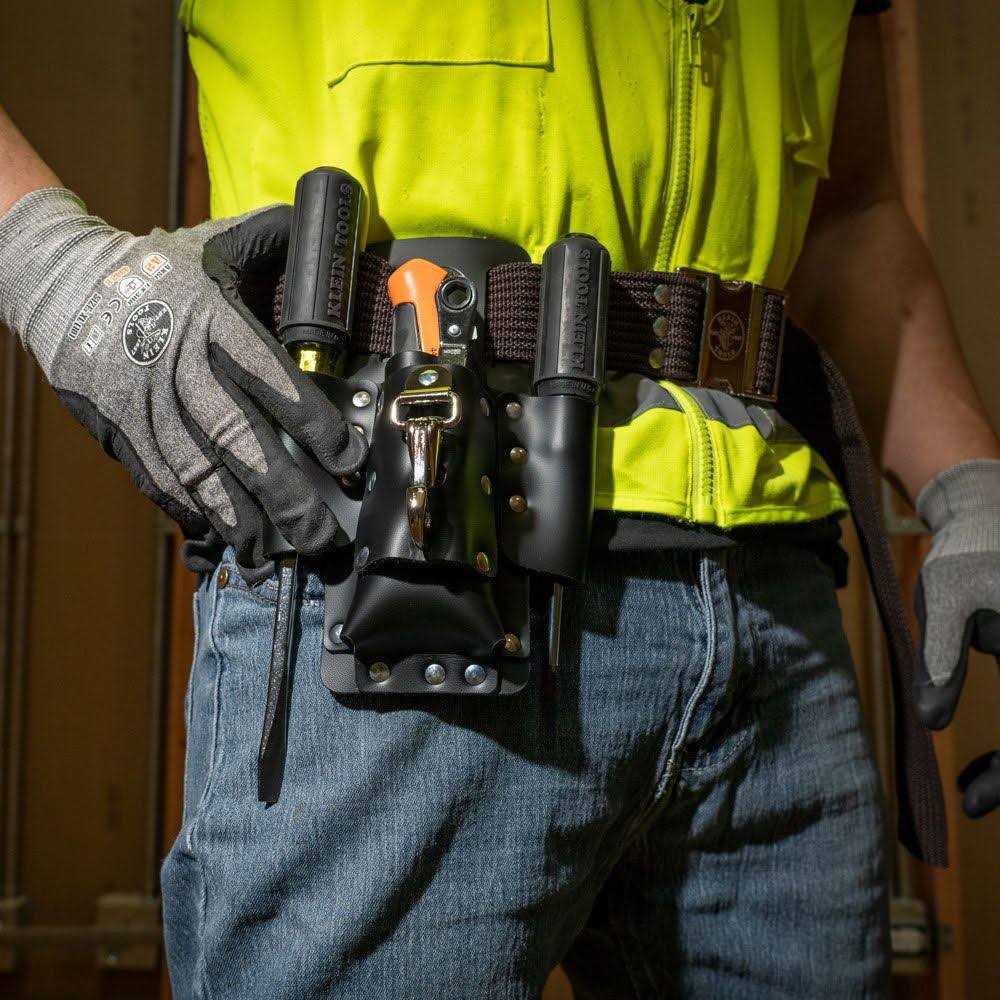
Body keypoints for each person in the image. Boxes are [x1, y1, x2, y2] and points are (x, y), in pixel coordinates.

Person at [0, 1, 997, 996]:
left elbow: (852, 219)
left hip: (771, 620)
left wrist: (968, 486)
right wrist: (48, 260)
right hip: (398, 569)